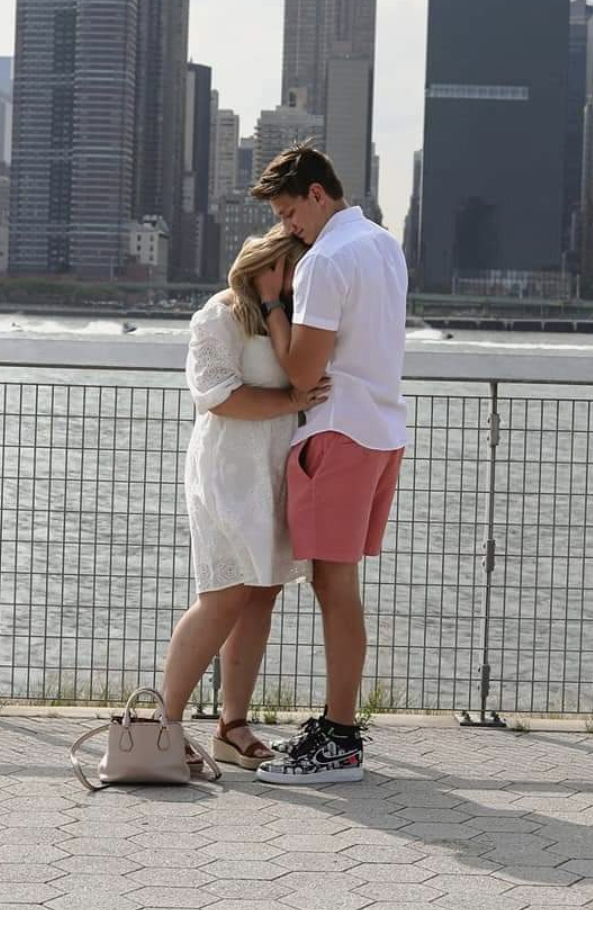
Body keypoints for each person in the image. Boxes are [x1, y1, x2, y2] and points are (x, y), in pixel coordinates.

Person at [249, 143, 408, 784]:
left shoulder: (324, 262)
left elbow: (302, 373)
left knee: (334, 590)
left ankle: (340, 739)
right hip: (381, 432)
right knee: (339, 589)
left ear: (318, 195)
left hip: (337, 434)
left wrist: (270, 305)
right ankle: (337, 728)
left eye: (290, 213)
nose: (288, 228)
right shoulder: (383, 245)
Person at [158, 227, 329, 771]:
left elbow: (314, 381)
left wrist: (281, 305)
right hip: (229, 471)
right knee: (223, 595)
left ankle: (232, 727)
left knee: (262, 594)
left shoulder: (295, 318)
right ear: (265, 263)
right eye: (289, 265)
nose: (298, 274)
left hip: (277, 468)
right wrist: (291, 400)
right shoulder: (219, 315)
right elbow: (220, 398)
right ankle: (164, 726)